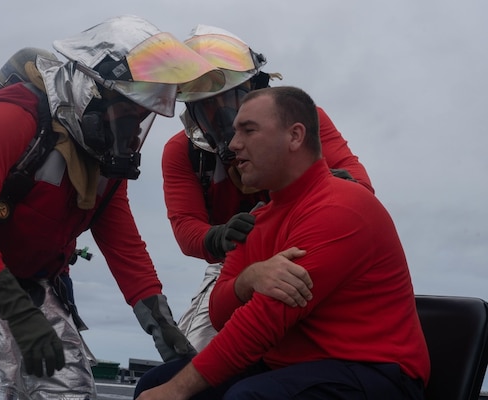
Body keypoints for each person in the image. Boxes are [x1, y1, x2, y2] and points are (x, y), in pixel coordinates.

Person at [0, 15, 225, 399]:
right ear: (91, 91)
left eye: (142, 118)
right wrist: (20, 316)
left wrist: (158, 320)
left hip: (29, 272)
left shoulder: (105, 162)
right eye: (128, 114)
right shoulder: (12, 117)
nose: (135, 133)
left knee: (69, 389)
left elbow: (124, 247)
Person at [135, 86, 430, 399]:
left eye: (248, 130)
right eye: (235, 132)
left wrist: (175, 392)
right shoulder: (259, 219)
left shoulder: (339, 208)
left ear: (295, 137)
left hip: (375, 372)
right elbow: (220, 314)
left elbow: (263, 323)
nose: (233, 144)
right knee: (154, 383)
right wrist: (247, 280)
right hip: (293, 366)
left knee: (246, 397)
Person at [165, 25, 374, 351]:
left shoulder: (305, 122)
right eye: (206, 105)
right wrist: (220, 237)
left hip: (310, 253)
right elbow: (185, 227)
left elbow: (360, 188)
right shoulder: (182, 152)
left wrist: (327, 189)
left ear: (257, 89)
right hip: (233, 265)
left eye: (231, 98)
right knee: (192, 362)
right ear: (191, 112)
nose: (222, 116)